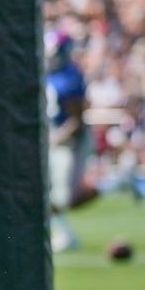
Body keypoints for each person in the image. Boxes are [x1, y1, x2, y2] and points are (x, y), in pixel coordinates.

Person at [45, 30, 98, 251]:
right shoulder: (49, 74)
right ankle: (64, 235)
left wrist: (56, 139)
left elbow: (77, 120)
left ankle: (117, 183)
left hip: (70, 142)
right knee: (47, 192)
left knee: (64, 197)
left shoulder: (69, 78)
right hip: (54, 139)